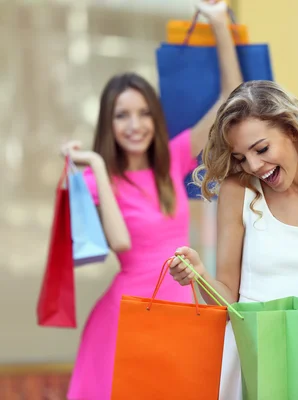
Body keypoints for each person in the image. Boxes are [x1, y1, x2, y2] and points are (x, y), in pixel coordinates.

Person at [59, 2, 243, 399]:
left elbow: (231, 96)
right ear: (108, 123)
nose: (135, 125)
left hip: (180, 303)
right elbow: (120, 243)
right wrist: (93, 164)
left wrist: (219, 25)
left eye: (143, 113)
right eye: (122, 115)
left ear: (155, 118)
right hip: (124, 315)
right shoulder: (94, 180)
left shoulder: (174, 159)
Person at [168, 80, 298, 399]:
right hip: (254, 363)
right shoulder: (239, 192)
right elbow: (229, 300)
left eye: (261, 149)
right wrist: (198, 275)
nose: (253, 166)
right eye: (240, 157)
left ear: (292, 131)